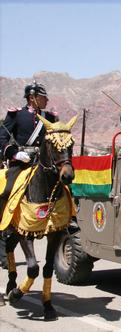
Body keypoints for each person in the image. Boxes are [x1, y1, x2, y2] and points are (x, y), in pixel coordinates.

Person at [0, 81, 58, 297]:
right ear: (32, 97)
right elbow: (2, 138)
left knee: (62, 190)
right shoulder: (16, 115)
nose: (46, 101)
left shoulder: (50, 118)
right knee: (6, 191)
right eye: (43, 97)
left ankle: (64, 222)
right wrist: (14, 153)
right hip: (22, 162)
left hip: (43, 164)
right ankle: (5, 223)